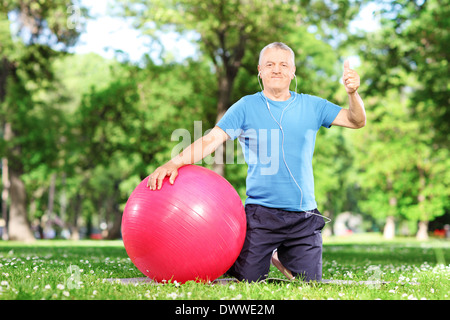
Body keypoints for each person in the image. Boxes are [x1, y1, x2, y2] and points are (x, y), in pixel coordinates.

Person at [147, 42, 366, 282]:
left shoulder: (313, 105)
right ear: (260, 70)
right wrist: (174, 162)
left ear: (293, 71)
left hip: (304, 217)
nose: (277, 70)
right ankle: (264, 253)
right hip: (261, 215)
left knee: (310, 284)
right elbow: (211, 139)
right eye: (270, 64)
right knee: (248, 280)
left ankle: (280, 257)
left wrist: (353, 94)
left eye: (284, 65)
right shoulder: (245, 106)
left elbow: (356, 120)